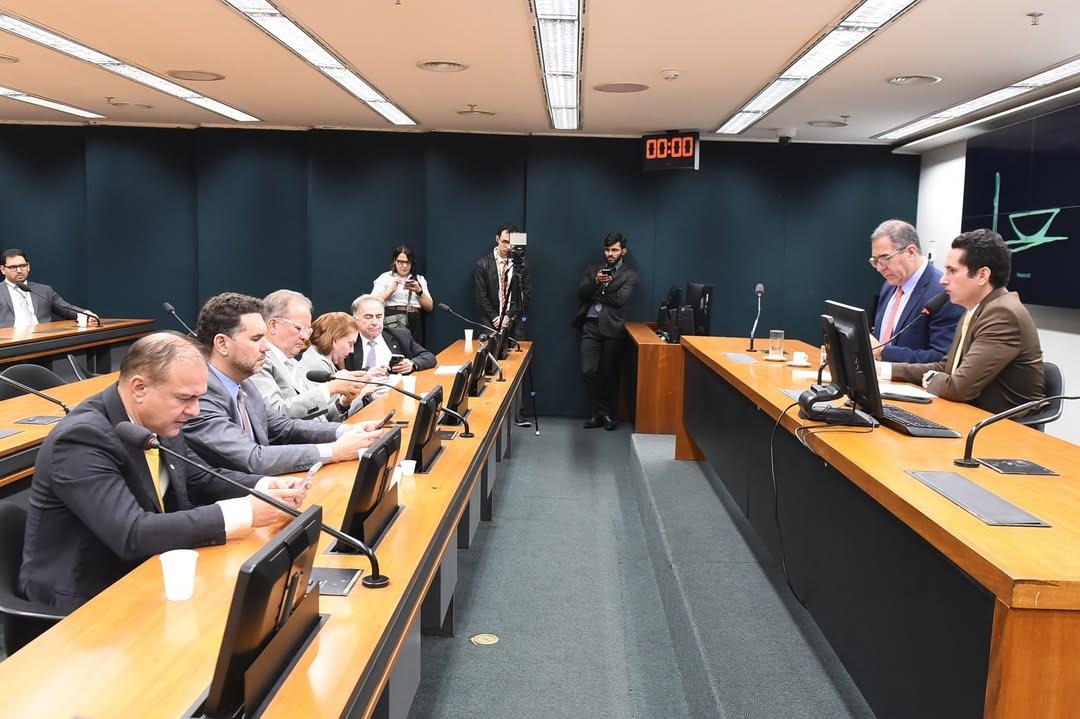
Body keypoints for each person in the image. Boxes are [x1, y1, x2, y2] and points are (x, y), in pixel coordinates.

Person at [18, 332, 307, 612]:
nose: (195, 411)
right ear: (139, 388)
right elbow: (132, 533)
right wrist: (246, 512)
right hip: (86, 599)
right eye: (185, 398)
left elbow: (199, 478)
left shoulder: (159, 418)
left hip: (146, 571)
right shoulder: (81, 438)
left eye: (199, 398)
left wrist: (265, 487)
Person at [183, 292, 383, 476]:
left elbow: (283, 427)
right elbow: (252, 458)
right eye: (256, 339)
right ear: (222, 344)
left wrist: (346, 431)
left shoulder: (245, 385)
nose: (265, 347)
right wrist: (334, 450)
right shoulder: (200, 393)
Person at [885, 229, 1045, 414]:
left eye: (952, 271)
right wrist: (884, 370)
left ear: (982, 275)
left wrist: (932, 378)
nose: (943, 280)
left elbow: (958, 388)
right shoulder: (976, 309)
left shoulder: (1003, 315)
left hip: (1004, 425)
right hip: (970, 414)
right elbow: (946, 367)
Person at [249, 290, 371, 422]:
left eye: (307, 330)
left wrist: (343, 403)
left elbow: (319, 418)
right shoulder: (259, 361)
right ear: (273, 325)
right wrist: (329, 388)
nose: (305, 337)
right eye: (298, 328)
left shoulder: (294, 364)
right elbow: (275, 416)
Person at [868, 220, 963, 362]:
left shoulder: (943, 293)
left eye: (885, 258)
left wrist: (883, 353)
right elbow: (882, 336)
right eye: (875, 261)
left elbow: (941, 357)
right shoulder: (889, 286)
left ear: (911, 252)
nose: (880, 268)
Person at [572, 232, 638, 430]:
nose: (610, 253)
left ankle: (602, 415)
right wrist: (596, 282)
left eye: (614, 250)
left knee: (608, 374)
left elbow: (619, 300)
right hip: (590, 326)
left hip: (613, 328)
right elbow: (581, 292)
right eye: (607, 250)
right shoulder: (593, 270)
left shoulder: (630, 274)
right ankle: (603, 413)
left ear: (623, 251)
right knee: (589, 370)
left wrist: (595, 295)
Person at [299, 311, 384, 410]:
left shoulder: (316, 358)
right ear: (335, 339)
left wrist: (365, 377)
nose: (352, 351)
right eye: (350, 344)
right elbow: (327, 414)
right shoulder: (316, 365)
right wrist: (362, 393)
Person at [0, 248, 98, 328]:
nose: (19, 270)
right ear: (3, 269)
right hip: (9, 341)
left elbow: (66, 309)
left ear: (28, 266)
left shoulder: (44, 290)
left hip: (42, 338)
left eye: (22, 266)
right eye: (13, 267)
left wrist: (86, 314)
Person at [347, 295, 436, 374]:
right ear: (355, 320)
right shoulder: (348, 342)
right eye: (368, 317)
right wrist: (366, 374)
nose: (375, 322)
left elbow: (429, 357)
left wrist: (412, 364)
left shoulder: (401, 335)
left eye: (379, 316)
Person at [474, 222, 532, 338]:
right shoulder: (482, 264)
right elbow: (481, 297)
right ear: (497, 239)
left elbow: (526, 294)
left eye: (511, 242)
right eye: (504, 242)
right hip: (490, 322)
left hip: (515, 322)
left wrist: (509, 316)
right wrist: (495, 318)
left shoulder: (522, 266)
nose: (508, 246)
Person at [372, 245, 433, 342]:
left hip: (415, 320)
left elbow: (429, 307)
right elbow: (372, 303)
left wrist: (419, 291)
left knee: (415, 349)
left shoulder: (419, 279)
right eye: (401, 262)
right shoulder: (385, 277)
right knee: (395, 348)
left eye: (408, 262)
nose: (404, 266)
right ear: (394, 261)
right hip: (393, 319)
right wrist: (391, 290)